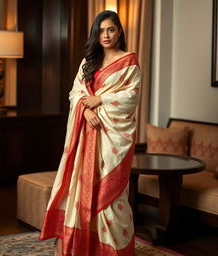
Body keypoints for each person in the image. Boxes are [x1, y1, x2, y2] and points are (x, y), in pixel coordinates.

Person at [39, 10, 141, 256]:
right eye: (101, 30)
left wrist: (100, 99)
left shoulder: (129, 61)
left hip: (110, 138)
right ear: (95, 34)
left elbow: (131, 97)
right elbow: (76, 93)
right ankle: (80, 243)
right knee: (80, 189)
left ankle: (109, 249)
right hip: (85, 135)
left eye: (111, 30)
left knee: (109, 195)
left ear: (119, 32)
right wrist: (84, 110)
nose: (106, 35)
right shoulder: (88, 62)